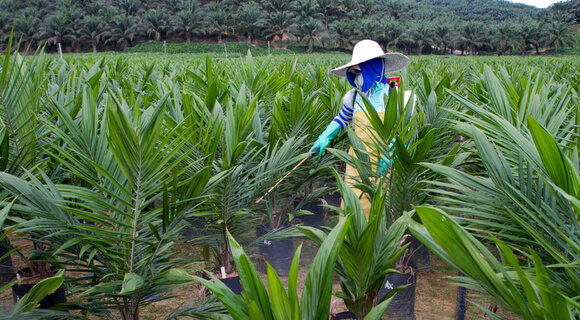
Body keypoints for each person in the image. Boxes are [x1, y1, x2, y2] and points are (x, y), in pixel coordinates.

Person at [309, 39, 410, 218]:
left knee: (381, 208)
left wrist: (390, 153)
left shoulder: (393, 95)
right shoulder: (354, 96)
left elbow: (403, 130)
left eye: (360, 71)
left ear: (373, 67)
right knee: (353, 205)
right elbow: (342, 118)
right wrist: (325, 137)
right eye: (354, 72)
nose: (357, 76)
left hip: (385, 162)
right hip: (357, 161)